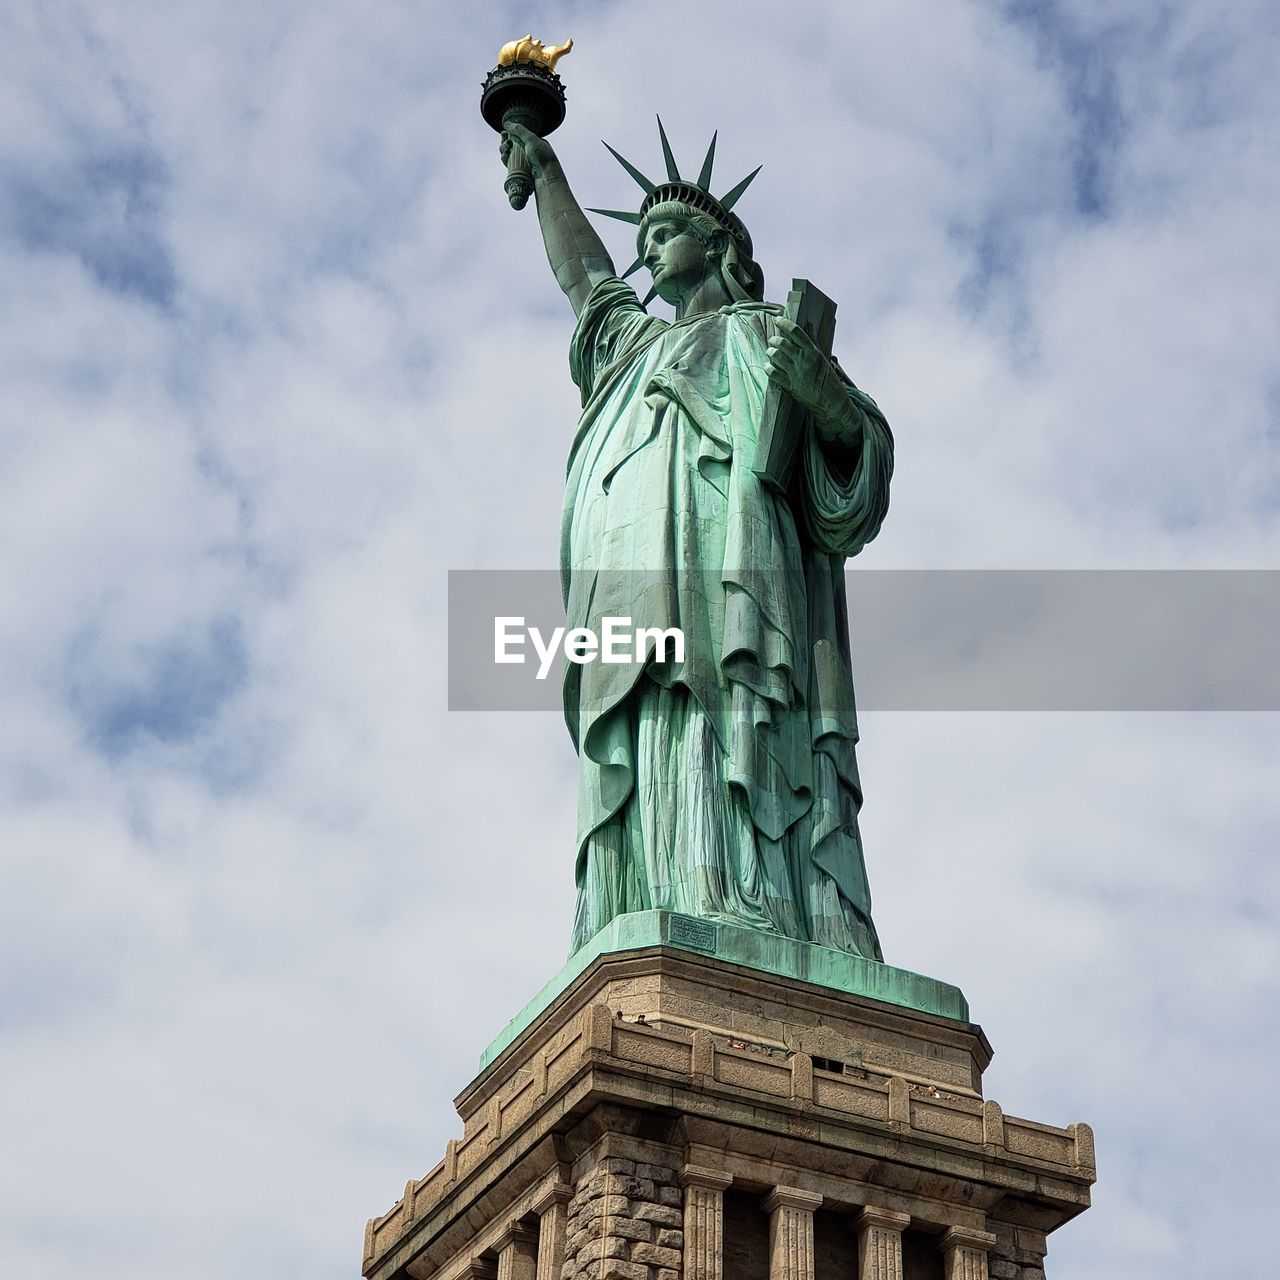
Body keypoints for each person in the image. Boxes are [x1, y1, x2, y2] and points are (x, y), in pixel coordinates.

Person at [501, 122, 894, 960]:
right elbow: (588, 282)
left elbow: (857, 464)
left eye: (666, 232)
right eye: (641, 237)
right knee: (653, 733)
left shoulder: (765, 336)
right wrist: (546, 175)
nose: (647, 250)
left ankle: (751, 902)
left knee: (726, 717)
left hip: (736, 582)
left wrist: (820, 394)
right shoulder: (633, 350)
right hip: (633, 589)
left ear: (720, 246)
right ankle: (651, 899)